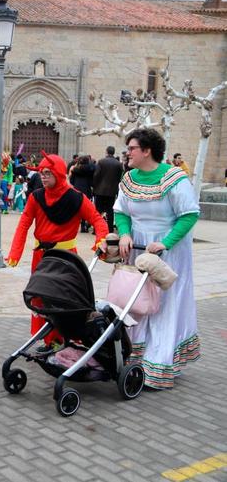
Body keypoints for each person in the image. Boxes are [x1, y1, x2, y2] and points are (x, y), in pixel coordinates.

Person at [112, 128, 200, 389]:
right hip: (138, 248)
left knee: (163, 304)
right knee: (138, 301)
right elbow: (121, 211)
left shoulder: (174, 178)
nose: (128, 152)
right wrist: (125, 234)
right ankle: (134, 358)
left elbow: (189, 214)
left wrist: (165, 243)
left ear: (147, 151)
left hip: (167, 251)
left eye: (132, 148)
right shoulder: (128, 179)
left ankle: (158, 365)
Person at [6, 151, 108, 349]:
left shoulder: (76, 198)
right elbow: (23, 224)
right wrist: (15, 253)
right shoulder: (36, 197)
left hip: (67, 258)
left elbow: (97, 219)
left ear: (59, 173)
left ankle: (67, 339)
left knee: (65, 300)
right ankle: (48, 339)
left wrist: (101, 240)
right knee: (40, 298)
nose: (42, 176)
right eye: (41, 173)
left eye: (47, 173)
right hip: (41, 257)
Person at [93, 145, 124, 232]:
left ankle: (97, 229)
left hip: (99, 190)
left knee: (98, 210)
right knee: (110, 211)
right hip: (111, 191)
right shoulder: (118, 164)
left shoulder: (101, 161)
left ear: (106, 151)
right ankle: (110, 229)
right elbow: (119, 177)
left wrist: (94, 186)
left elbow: (96, 175)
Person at [69, 154, 95, 233]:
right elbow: (92, 182)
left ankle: (74, 226)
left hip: (77, 189)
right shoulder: (90, 170)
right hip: (86, 190)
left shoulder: (75, 170)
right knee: (85, 208)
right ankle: (83, 226)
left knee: (76, 208)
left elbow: (71, 181)